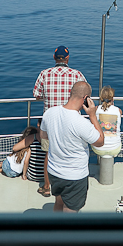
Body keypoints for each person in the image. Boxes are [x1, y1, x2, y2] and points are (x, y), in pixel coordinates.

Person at [40, 81, 103, 213]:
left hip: (54, 171)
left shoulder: (50, 113)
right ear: (85, 98)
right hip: (75, 176)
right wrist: (92, 115)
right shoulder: (81, 123)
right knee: (71, 210)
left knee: (58, 202)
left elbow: (43, 136)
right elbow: (100, 141)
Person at [32, 45, 86, 197]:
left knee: (50, 153)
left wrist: (49, 96)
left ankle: (47, 186)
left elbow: (36, 95)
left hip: (50, 122)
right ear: (67, 58)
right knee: (71, 152)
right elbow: (85, 95)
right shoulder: (77, 75)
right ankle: (69, 185)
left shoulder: (44, 74)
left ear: (54, 58)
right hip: (72, 122)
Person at [91, 85, 122, 158]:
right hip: (115, 148)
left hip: (98, 148)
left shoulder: (96, 109)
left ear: (101, 98)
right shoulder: (118, 111)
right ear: (112, 98)